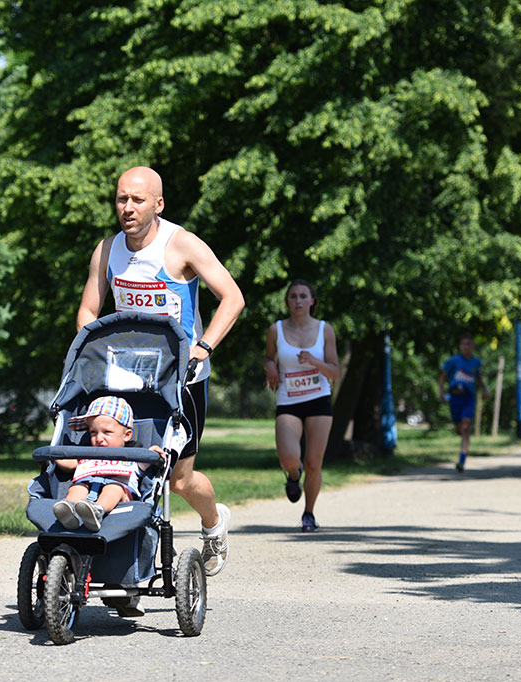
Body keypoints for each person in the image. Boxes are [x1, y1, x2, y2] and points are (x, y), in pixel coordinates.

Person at [77, 166, 245, 576]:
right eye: (121, 199)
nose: (127, 207)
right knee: (121, 464)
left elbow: (233, 297)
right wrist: (90, 352)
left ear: (158, 204)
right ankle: (128, 567)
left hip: (180, 379)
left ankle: (214, 523)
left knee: (177, 479)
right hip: (125, 379)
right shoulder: (108, 250)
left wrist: (204, 347)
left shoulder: (181, 244)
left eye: (137, 200)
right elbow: (87, 311)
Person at [263, 280, 340, 532]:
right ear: (287, 301)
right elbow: (268, 358)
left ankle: (309, 514)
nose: (298, 301)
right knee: (288, 458)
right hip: (289, 400)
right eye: (293, 296)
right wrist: (271, 367)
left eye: (303, 296)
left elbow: (335, 372)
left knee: (314, 463)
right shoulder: (276, 330)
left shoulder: (325, 330)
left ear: (312, 301)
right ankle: (294, 476)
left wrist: (315, 362)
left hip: (318, 399)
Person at [52, 396, 164, 532]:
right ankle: (68, 511)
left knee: (113, 488)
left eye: (107, 432)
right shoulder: (89, 452)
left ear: (127, 435)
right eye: (93, 432)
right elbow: (70, 464)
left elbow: (146, 461)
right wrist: (54, 454)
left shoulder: (134, 453)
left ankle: (97, 511)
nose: (99, 438)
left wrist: (153, 452)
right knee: (78, 487)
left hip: (121, 494)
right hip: (88, 489)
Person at [438, 333, 490, 470]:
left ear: (473, 346)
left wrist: (485, 390)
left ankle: (462, 460)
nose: (466, 346)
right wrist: (441, 392)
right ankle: (459, 430)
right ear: (460, 346)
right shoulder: (453, 361)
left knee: (466, 426)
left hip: (468, 398)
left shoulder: (476, 362)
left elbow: (478, 378)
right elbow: (442, 377)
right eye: (463, 344)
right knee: (459, 429)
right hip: (455, 398)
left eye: (468, 344)